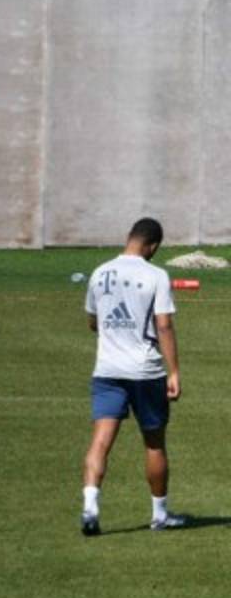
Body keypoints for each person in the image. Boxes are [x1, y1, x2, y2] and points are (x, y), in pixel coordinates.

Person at [80, 217, 187, 536]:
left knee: (101, 441)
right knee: (154, 443)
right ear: (153, 245)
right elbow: (164, 325)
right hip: (145, 372)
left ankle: (90, 506)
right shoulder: (155, 275)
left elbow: (93, 321)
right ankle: (159, 515)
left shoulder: (100, 273)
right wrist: (175, 372)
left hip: (107, 370)